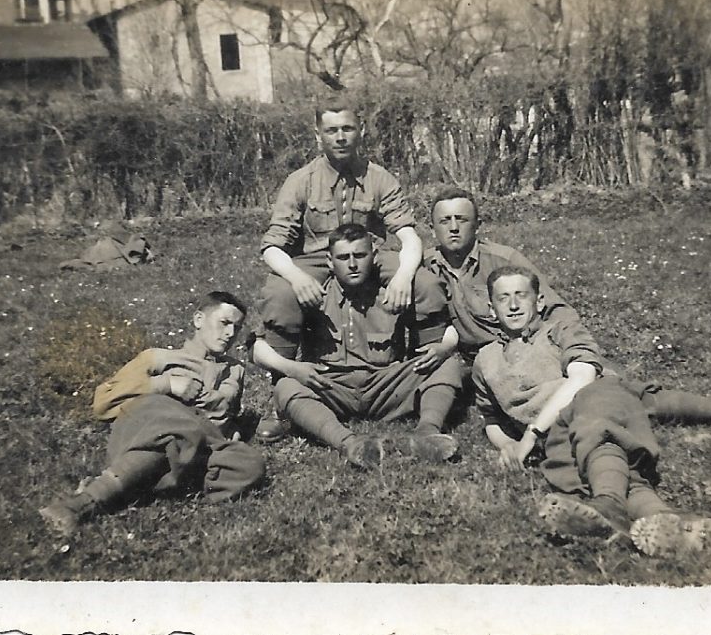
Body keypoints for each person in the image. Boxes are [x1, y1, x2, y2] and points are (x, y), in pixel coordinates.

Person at [425, 186, 711, 430]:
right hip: (486, 365)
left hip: (536, 352)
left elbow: (556, 310)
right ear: (433, 227)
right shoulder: (424, 268)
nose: (454, 228)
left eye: (462, 219)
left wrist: (576, 357)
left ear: (477, 224)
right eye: (445, 220)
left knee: (627, 397)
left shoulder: (502, 260)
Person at [473, 266, 711, 558]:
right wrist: (508, 445)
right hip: (559, 434)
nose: (513, 305)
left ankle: (608, 504)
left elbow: (583, 377)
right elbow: (491, 418)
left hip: (598, 400)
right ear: (491, 308)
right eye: (503, 298)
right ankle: (673, 523)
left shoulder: (560, 329)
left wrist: (530, 435)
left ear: (539, 301)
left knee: (595, 424)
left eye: (521, 295)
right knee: (586, 468)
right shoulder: (485, 360)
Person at [256, 96, 435, 442]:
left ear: (360, 130)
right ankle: (280, 398)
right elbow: (272, 246)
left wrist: (403, 275)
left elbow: (409, 235)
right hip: (318, 260)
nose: (340, 137)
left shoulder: (379, 178)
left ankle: (424, 372)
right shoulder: (301, 180)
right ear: (318, 134)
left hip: (372, 256)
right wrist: (296, 277)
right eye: (332, 130)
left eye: (348, 128)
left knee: (425, 282)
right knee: (278, 292)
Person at [39, 291, 266, 537]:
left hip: (198, 444)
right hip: (150, 426)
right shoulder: (159, 357)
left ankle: (126, 485)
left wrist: (232, 432)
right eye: (224, 323)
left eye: (237, 327)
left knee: (250, 464)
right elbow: (103, 400)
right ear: (198, 320)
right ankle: (80, 504)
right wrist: (166, 385)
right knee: (170, 426)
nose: (231, 334)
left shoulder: (236, 371)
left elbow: (228, 416)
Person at [253, 223, 462, 469]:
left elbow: (448, 328)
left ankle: (426, 434)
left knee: (447, 364)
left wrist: (443, 348)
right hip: (330, 384)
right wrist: (293, 368)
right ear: (330, 262)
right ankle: (350, 444)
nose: (352, 264)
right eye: (343, 257)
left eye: (360, 255)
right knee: (286, 386)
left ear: (374, 256)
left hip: (384, 384)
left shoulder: (393, 290)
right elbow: (258, 349)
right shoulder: (312, 293)